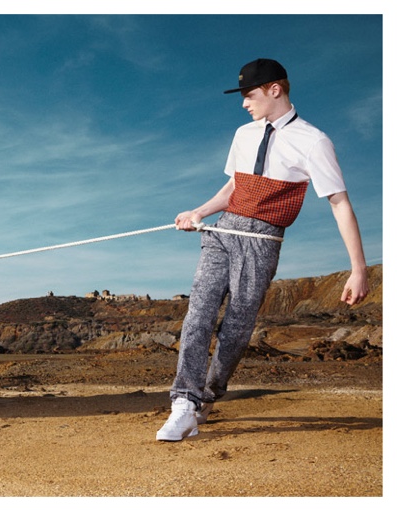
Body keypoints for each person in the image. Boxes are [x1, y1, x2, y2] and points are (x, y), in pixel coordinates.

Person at [155, 58, 369, 442]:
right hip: (223, 232)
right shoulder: (243, 134)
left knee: (236, 329)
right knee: (198, 314)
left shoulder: (313, 141)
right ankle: (183, 403)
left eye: (249, 94)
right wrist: (198, 212)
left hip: (262, 241)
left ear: (275, 90)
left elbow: (339, 203)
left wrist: (359, 269)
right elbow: (233, 189)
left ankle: (208, 396)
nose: (243, 103)